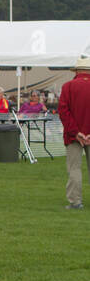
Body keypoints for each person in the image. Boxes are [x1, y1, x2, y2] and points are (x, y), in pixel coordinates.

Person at [59, 58, 90, 209]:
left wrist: (76, 132)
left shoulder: (68, 87)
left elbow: (64, 112)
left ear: (77, 71)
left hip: (73, 136)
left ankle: (75, 201)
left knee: (74, 169)